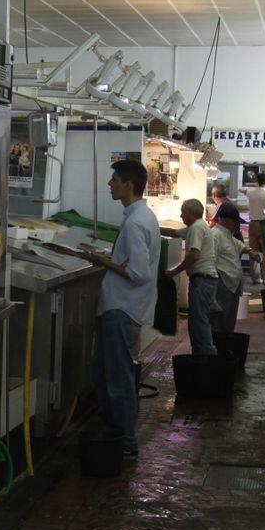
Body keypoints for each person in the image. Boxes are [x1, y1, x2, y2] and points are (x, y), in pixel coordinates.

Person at [86, 160, 159, 459]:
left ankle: (126, 441)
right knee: (107, 377)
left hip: (122, 309)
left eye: (114, 179)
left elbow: (138, 272)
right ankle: (115, 435)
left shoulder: (136, 222)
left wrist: (104, 262)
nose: (110, 184)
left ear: (128, 184)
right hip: (121, 308)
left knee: (119, 380)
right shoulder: (141, 217)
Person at [166, 197, 217, 356]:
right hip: (204, 281)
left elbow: (194, 255)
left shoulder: (196, 228)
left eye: (182, 213)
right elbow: (174, 232)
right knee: (196, 322)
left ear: (189, 213)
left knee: (199, 322)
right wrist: (152, 226)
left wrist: (174, 272)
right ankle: (201, 356)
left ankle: (206, 359)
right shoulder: (198, 226)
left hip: (202, 281)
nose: (181, 216)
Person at [210, 205, 245, 336]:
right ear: (229, 221)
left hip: (231, 284)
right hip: (222, 283)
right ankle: (219, 350)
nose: (237, 226)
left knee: (229, 321)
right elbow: (211, 261)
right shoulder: (215, 235)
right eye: (236, 222)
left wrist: (249, 251)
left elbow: (237, 244)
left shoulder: (227, 234)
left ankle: (227, 346)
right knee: (220, 322)